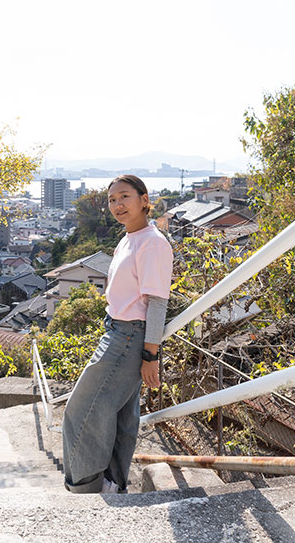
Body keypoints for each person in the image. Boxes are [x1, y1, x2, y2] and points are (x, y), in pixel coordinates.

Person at [62, 174, 173, 494]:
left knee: (80, 411)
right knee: (119, 415)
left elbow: (156, 303)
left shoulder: (153, 242)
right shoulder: (129, 238)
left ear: (144, 199)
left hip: (128, 336)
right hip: (117, 331)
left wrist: (151, 355)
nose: (117, 205)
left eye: (124, 197)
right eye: (112, 200)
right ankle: (113, 482)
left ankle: (85, 487)